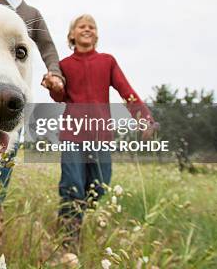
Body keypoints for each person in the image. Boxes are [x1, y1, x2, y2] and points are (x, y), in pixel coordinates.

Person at [50, 14, 156, 246]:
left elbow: (126, 90)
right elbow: (59, 97)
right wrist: (53, 85)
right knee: (73, 185)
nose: (87, 29)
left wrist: (144, 117)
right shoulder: (65, 65)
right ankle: (68, 239)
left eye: (92, 26)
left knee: (98, 187)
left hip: (100, 136)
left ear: (96, 34)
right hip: (73, 136)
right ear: (72, 35)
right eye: (81, 26)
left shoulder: (107, 61)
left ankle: (73, 214)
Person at [0, 0, 65, 212]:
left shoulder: (32, 14)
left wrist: (55, 72)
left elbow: (47, 45)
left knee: (6, 149)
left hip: (16, 91)